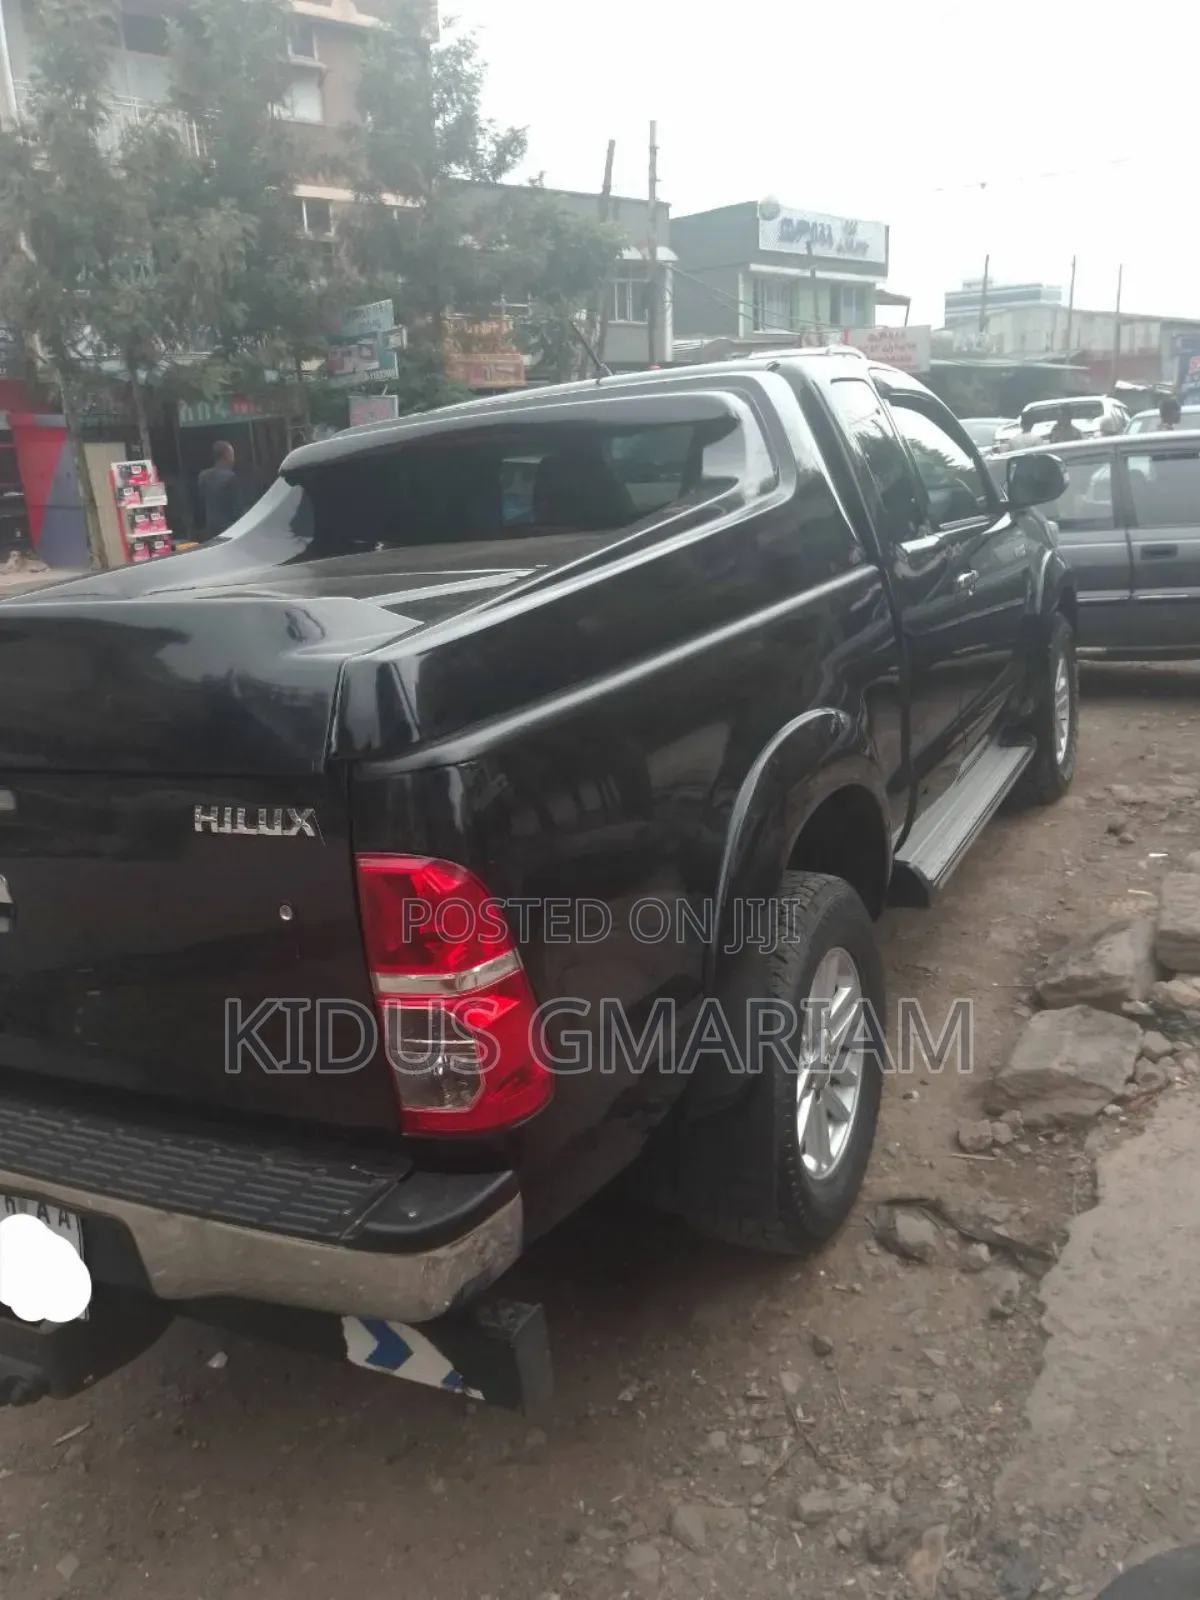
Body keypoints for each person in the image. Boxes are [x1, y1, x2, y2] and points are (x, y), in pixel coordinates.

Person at [197, 440, 244, 537]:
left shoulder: (203, 476)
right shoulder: (231, 478)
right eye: (232, 455)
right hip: (230, 529)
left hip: (210, 530)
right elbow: (236, 510)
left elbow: (201, 503)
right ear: (227, 455)